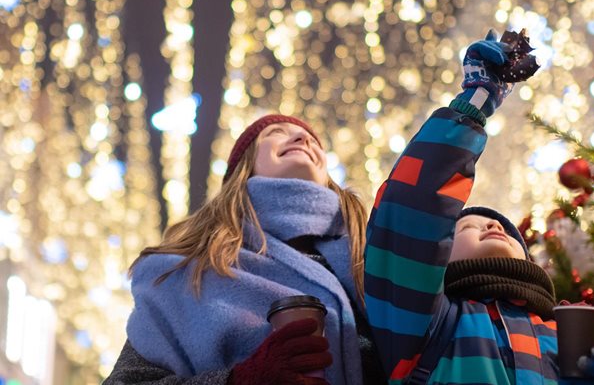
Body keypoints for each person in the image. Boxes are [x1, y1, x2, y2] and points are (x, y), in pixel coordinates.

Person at [364, 30, 594, 384]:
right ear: (438, 253)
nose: (492, 226)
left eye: (506, 230)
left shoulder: (557, 338)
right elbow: (410, 210)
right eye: (466, 226)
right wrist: (475, 101)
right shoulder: (424, 322)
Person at [105, 114, 385, 384]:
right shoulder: (186, 275)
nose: (302, 137)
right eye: (276, 133)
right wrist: (238, 380)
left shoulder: (373, 259)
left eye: (313, 142)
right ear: (244, 165)